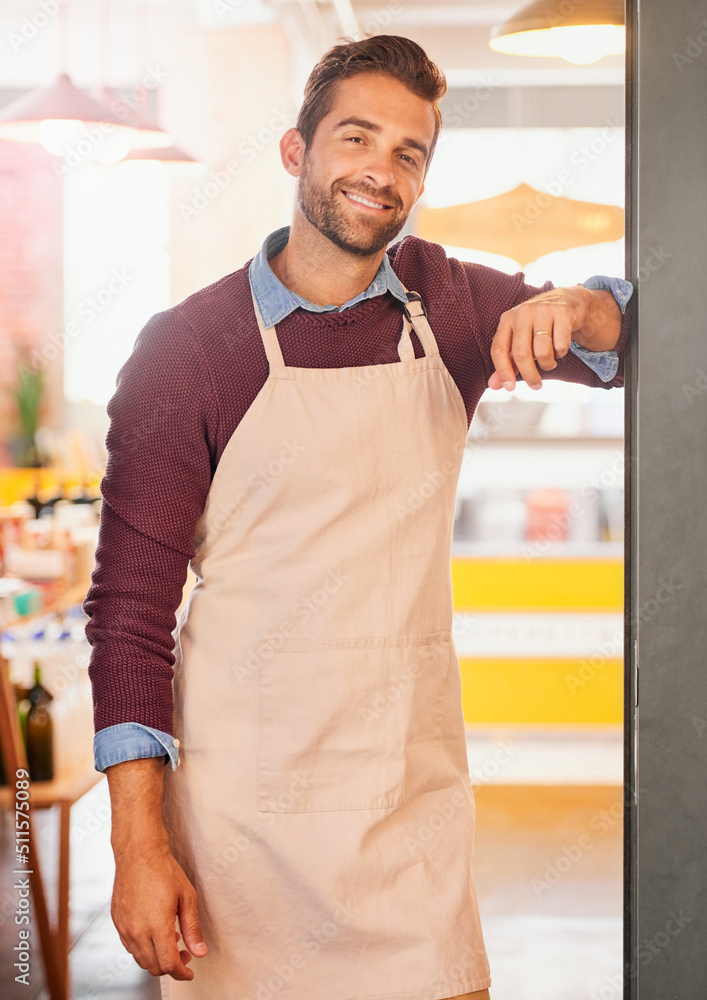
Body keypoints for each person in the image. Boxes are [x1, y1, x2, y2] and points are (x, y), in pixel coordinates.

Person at [85, 34, 633, 1000]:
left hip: (406, 798)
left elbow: (633, 347)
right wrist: (138, 843)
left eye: (409, 152)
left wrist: (585, 304)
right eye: (356, 138)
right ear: (297, 152)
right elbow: (129, 614)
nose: (381, 170)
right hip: (239, 818)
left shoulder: (452, 303)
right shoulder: (188, 351)